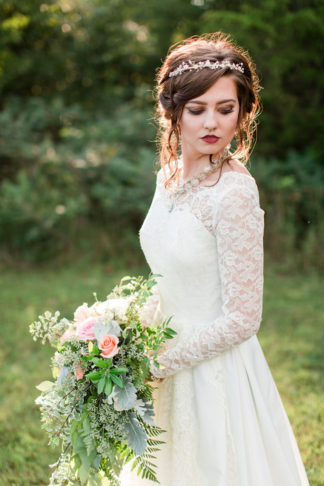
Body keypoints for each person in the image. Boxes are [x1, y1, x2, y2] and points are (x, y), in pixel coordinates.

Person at [120, 32, 310, 486]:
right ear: (173, 112)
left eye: (226, 109)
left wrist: (161, 364)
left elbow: (244, 318)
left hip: (213, 372)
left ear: (243, 114)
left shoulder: (234, 193)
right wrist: (126, 336)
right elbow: (165, 277)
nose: (212, 123)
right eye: (197, 109)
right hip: (161, 356)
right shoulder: (167, 177)